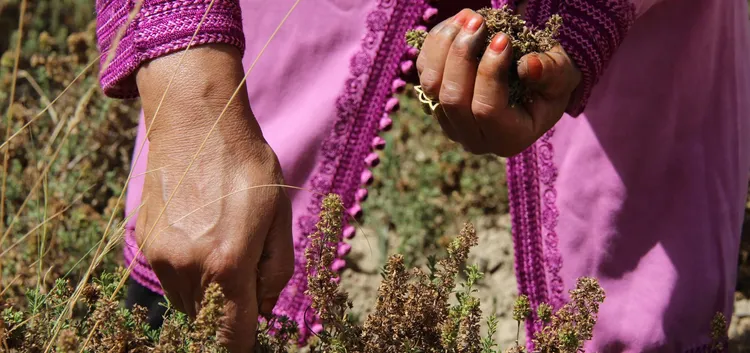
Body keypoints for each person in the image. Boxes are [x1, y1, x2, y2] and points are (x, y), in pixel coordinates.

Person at [95, 0, 750, 352]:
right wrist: (190, 93)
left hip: (650, 69)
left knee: (630, 300)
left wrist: (590, 11)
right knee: (204, 281)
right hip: (275, 48)